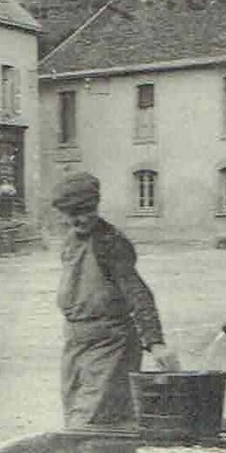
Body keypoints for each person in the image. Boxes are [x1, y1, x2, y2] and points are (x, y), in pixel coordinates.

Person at [51, 171, 178, 431]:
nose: (80, 218)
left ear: (96, 206)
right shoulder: (70, 242)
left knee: (88, 423)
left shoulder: (111, 243)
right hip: (76, 344)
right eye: (73, 212)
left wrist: (155, 342)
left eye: (87, 210)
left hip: (110, 345)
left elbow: (137, 292)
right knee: (79, 416)